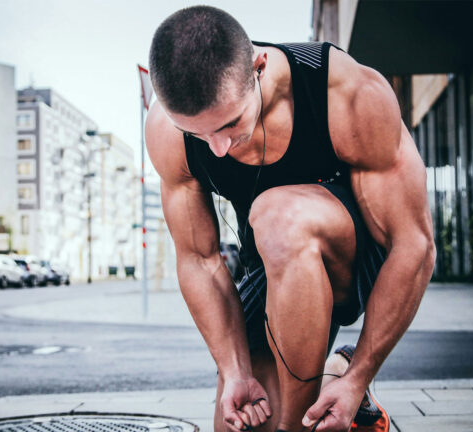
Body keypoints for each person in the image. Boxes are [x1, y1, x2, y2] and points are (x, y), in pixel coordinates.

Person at [145, 6, 435, 432]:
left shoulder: (344, 91)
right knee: (243, 417)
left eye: (229, 124)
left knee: (278, 215)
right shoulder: (167, 130)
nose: (218, 148)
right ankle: (331, 373)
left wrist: (361, 379)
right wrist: (234, 370)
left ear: (259, 68)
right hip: (273, 266)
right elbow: (199, 259)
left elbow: (414, 245)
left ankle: (329, 392)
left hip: (358, 259)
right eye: (198, 135)